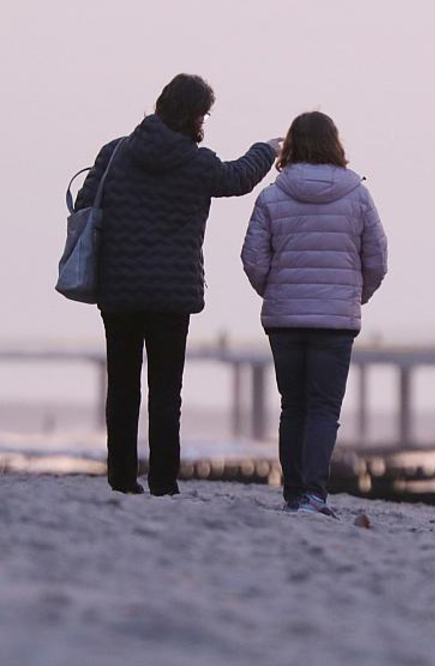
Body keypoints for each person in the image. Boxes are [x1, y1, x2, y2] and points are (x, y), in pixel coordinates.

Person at [74, 74, 280, 496]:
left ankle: (121, 478)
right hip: (171, 294)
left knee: (123, 387)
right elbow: (238, 177)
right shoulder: (196, 163)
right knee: (167, 391)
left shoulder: (115, 154)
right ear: (194, 116)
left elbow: (84, 207)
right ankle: (164, 482)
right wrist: (268, 149)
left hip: (120, 290)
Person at [240, 112, 389, 516]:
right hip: (335, 321)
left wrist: (274, 291)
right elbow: (376, 258)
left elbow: (252, 257)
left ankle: (292, 494)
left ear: (290, 146)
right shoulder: (357, 195)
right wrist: (354, 297)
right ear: (334, 144)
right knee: (323, 409)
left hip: (285, 319)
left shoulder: (272, 196)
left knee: (293, 407)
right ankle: (313, 495)